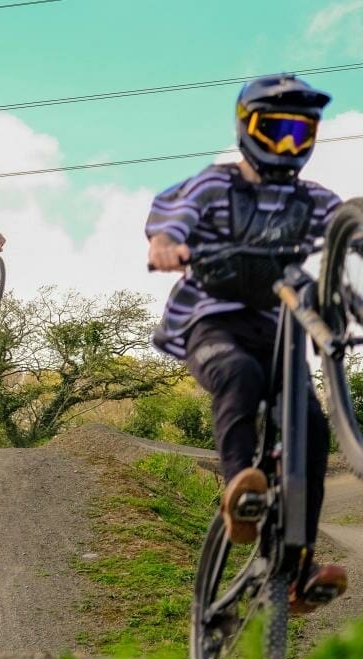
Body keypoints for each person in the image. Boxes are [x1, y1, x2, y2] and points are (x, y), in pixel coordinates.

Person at [145, 73, 347, 614]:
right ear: (247, 128)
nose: (287, 146)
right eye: (275, 130)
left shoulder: (312, 198)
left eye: (299, 134)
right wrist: (167, 245)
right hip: (211, 323)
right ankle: (241, 493)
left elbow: (348, 222)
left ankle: (298, 572)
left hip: (278, 329)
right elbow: (172, 216)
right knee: (238, 377)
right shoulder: (217, 186)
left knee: (311, 424)